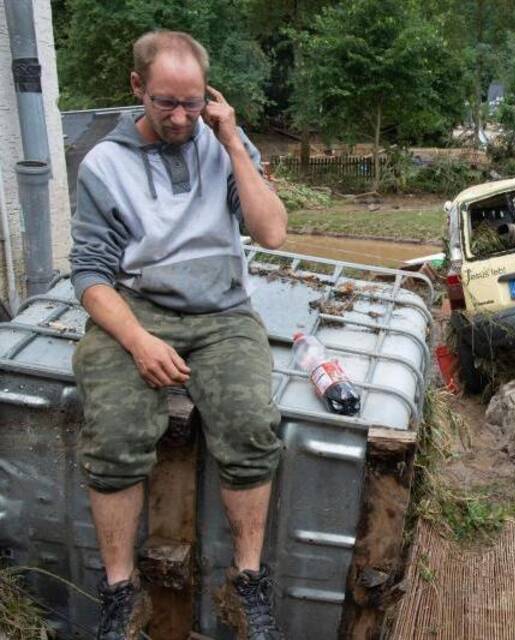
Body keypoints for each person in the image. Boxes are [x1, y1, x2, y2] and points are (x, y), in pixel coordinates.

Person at [69, 31, 287, 640]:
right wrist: (138, 341)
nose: (181, 116)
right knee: (113, 430)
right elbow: (88, 274)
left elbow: (271, 233)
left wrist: (234, 141)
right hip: (139, 308)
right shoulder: (104, 166)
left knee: (249, 423)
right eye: (166, 102)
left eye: (193, 103)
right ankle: (120, 592)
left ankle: (246, 586)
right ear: (137, 87)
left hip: (223, 311)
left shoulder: (222, 142)